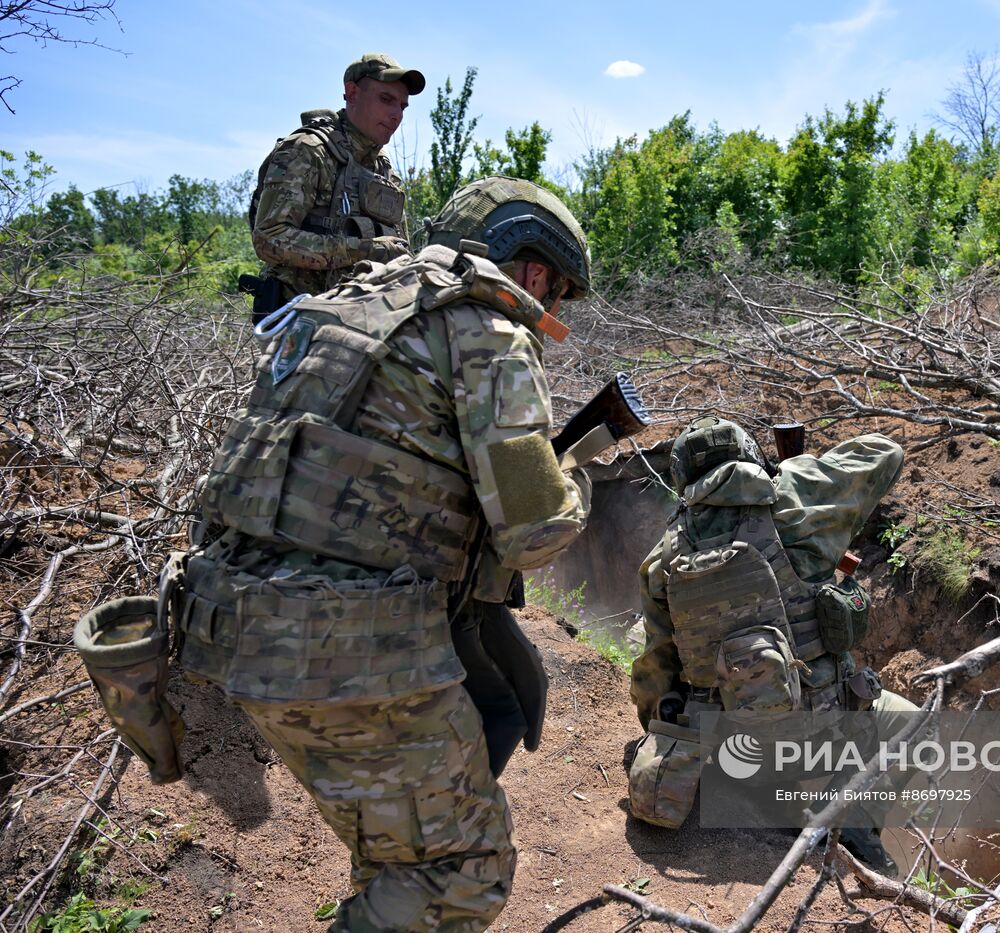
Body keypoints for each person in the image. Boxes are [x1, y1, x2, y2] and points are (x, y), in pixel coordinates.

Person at [178, 177, 592, 931]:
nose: (551, 309)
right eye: (557, 291)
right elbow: (536, 534)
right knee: (459, 874)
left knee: (406, 848)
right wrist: (575, 484)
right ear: (533, 270)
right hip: (346, 650)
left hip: (226, 623)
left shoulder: (334, 309)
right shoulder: (487, 331)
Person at [627, 417, 918, 872]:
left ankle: (764, 799)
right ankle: (852, 825)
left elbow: (654, 675)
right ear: (751, 454)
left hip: (728, 756)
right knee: (911, 725)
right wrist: (797, 467)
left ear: (682, 477)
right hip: (817, 739)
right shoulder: (798, 497)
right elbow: (886, 452)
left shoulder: (663, 558)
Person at [249, 53, 425, 309]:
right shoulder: (308, 150)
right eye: (386, 100)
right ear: (352, 93)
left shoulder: (384, 169)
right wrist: (362, 250)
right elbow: (268, 239)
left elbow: (398, 248)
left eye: (402, 106)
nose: (396, 115)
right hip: (299, 316)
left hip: (362, 318)